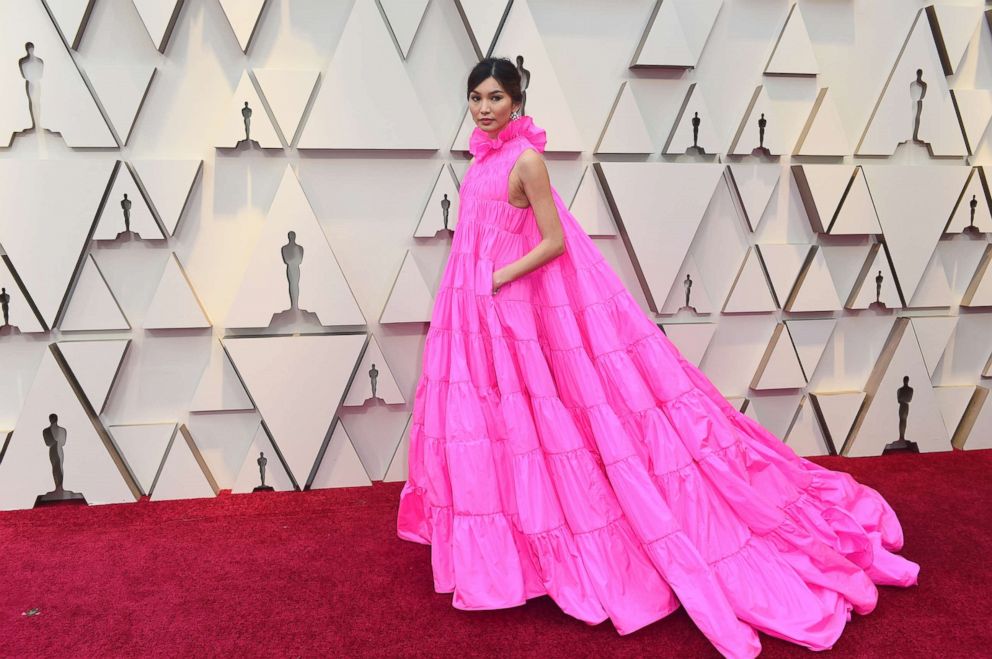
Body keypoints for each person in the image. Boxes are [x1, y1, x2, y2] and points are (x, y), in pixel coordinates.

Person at [397, 57, 919, 659]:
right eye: (474, 98)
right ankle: (509, 545)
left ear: (516, 100)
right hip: (477, 313)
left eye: (494, 98)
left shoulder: (525, 161)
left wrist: (496, 278)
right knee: (494, 427)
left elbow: (554, 240)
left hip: (506, 303)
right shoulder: (483, 158)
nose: (483, 108)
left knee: (543, 424)